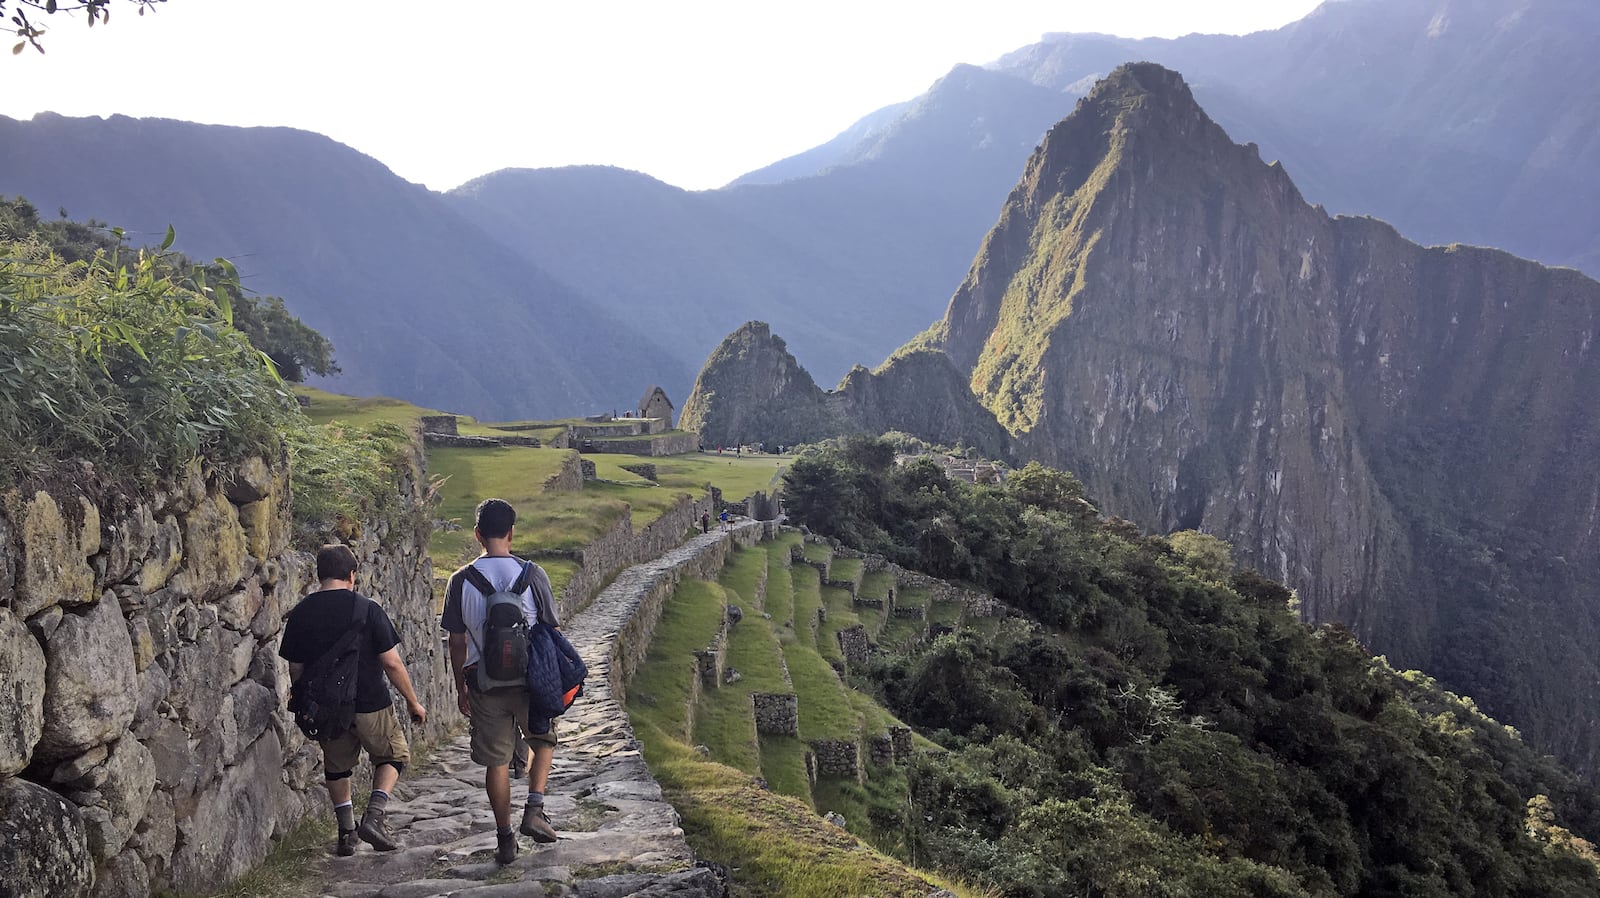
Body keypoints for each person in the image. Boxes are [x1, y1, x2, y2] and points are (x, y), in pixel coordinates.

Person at [278, 544, 426, 857]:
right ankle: (374, 816)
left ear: (319, 575)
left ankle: (346, 832)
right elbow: (392, 663)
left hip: (328, 709)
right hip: (371, 702)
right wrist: (413, 702)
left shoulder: (301, 613)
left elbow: (295, 667)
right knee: (393, 755)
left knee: (337, 768)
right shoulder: (367, 608)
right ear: (352, 574)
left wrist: (308, 701)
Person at [441, 498, 562, 865]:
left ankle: (505, 839)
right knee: (543, 741)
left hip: (483, 683)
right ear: (512, 532)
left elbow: (457, 641)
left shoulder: (460, 580)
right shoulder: (532, 574)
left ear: (477, 534)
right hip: (529, 681)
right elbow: (552, 627)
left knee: (496, 762)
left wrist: (461, 687)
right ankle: (535, 808)